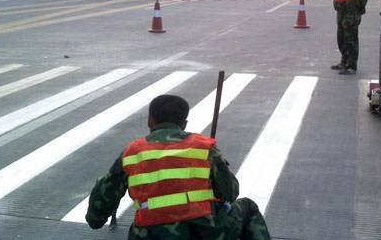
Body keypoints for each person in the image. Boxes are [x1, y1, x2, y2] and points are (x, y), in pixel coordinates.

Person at [85, 94, 271, 240]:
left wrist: (96, 219)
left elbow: (103, 199)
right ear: (184, 124)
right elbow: (230, 193)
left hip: (149, 236)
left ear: (150, 120)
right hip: (206, 233)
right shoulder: (203, 147)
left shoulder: (132, 152)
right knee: (248, 207)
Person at [331, 0, 369, 75]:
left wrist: (356, 8)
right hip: (340, 11)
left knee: (351, 39)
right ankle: (343, 62)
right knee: (341, 38)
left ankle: (351, 65)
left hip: (351, 12)